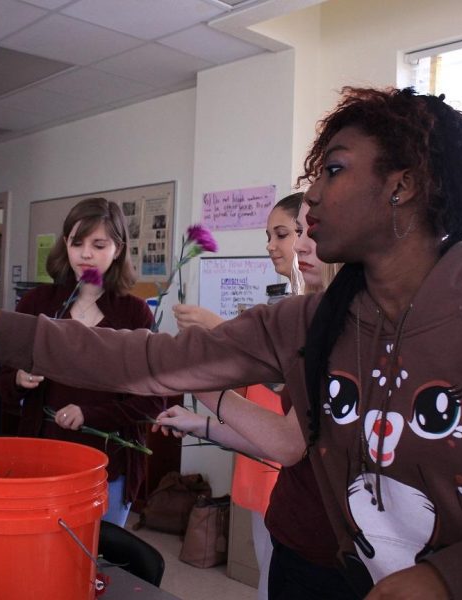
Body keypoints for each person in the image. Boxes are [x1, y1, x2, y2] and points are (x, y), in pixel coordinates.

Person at [0, 87, 462, 599]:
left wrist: (458, 577)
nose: (310, 202)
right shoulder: (310, 321)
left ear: (403, 185)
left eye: (333, 172)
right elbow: (153, 361)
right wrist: (10, 330)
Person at [171, 193, 353, 600]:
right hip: (282, 490)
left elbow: (286, 431)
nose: (280, 245)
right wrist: (201, 419)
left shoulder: (338, 325)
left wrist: (207, 352)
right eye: (274, 235)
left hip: (313, 521)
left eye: (290, 233)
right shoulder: (299, 311)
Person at [0, 197, 166, 526]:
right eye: (77, 243)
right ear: (65, 245)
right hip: (42, 459)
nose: (85, 254)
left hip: (107, 464)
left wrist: (90, 414)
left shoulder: (134, 313)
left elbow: (152, 401)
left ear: (117, 248)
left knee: (96, 562)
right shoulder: (37, 303)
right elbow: (2, 385)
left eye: (98, 244)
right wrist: (18, 378)